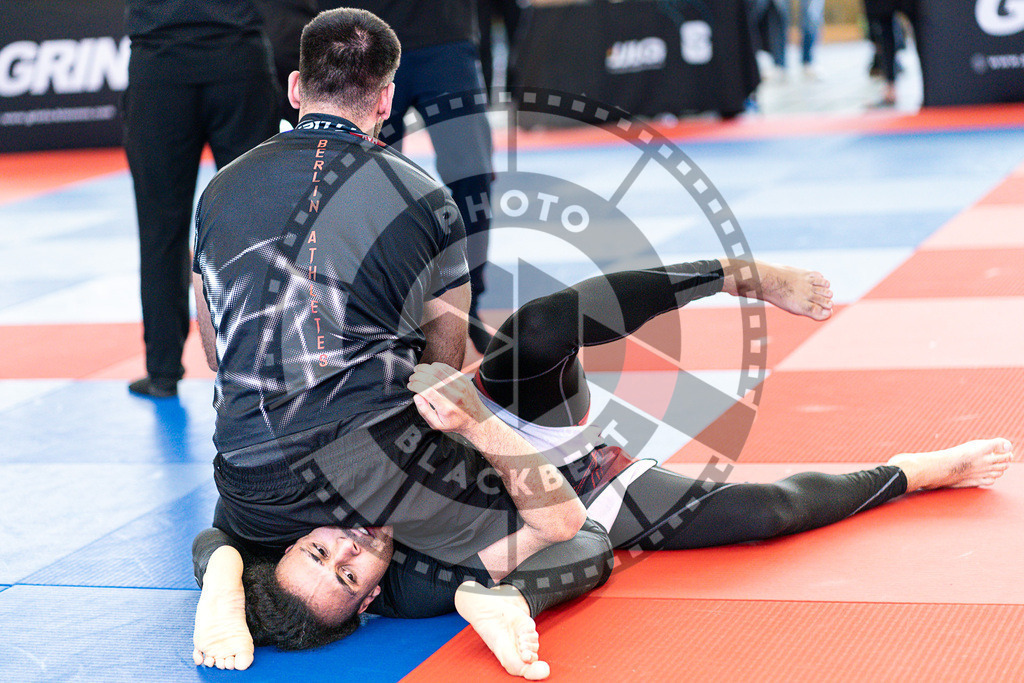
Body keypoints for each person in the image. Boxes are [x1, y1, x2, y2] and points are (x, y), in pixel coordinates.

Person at [191, 256, 1015, 676]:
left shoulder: (297, 499)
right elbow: (563, 527)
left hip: (510, 412)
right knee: (766, 515)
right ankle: (916, 469)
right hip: (565, 486)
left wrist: (223, 588)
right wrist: (478, 432)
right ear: (372, 598)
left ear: (293, 540)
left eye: (318, 548)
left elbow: (219, 534)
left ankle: (738, 276)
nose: (347, 545)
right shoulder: (417, 588)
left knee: (545, 324)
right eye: (347, 571)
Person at [190, 9, 614, 674]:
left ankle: (222, 567)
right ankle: (488, 588)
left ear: (296, 89)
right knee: (579, 535)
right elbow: (444, 361)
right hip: (378, 467)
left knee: (233, 516)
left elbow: (215, 350)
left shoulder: (219, 188)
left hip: (249, 474)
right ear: (387, 99)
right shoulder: (426, 196)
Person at [124, 0, 280, 398]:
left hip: (160, 61)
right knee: (258, 225)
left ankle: (162, 370)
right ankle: (267, 362)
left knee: (161, 228)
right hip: (237, 56)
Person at [324, 0, 496, 353]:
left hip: (446, 36)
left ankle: (468, 302)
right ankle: (382, 306)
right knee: (368, 180)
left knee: (473, 176)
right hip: (365, 38)